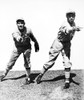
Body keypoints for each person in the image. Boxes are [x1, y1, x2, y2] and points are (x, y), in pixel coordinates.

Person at [36, 10, 82, 89]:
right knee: (51, 61)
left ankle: (67, 81)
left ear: (75, 17)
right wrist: (74, 28)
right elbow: (67, 30)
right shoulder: (65, 24)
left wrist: (74, 28)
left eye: (73, 16)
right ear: (66, 17)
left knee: (67, 61)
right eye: (69, 16)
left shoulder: (74, 24)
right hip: (58, 43)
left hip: (67, 43)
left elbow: (71, 31)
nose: (71, 17)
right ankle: (40, 75)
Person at [0, 18, 39, 84]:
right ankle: (3, 75)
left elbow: (32, 37)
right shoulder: (15, 31)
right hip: (17, 48)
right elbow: (16, 36)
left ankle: (28, 77)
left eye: (21, 23)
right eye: (18, 23)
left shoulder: (28, 30)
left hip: (27, 48)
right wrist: (19, 38)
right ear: (17, 24)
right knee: (11, 63)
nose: (20, 24)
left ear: (24, 23)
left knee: (27, 62)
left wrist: (36, 43)